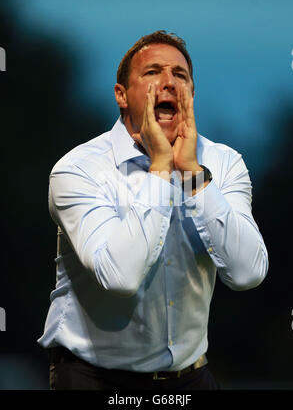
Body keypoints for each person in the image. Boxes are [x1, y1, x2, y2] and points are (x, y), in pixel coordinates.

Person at [38, 30, 268, 390]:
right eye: (152, 73)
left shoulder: (223, 163)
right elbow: (120, 278)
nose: (168, 82)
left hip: (191, 378)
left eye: (180, 75)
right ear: (121, 96)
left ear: (191, 93)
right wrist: (161, 168)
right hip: (93, 377)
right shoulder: (78, 169)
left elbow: (248, 273)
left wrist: (193, 176)